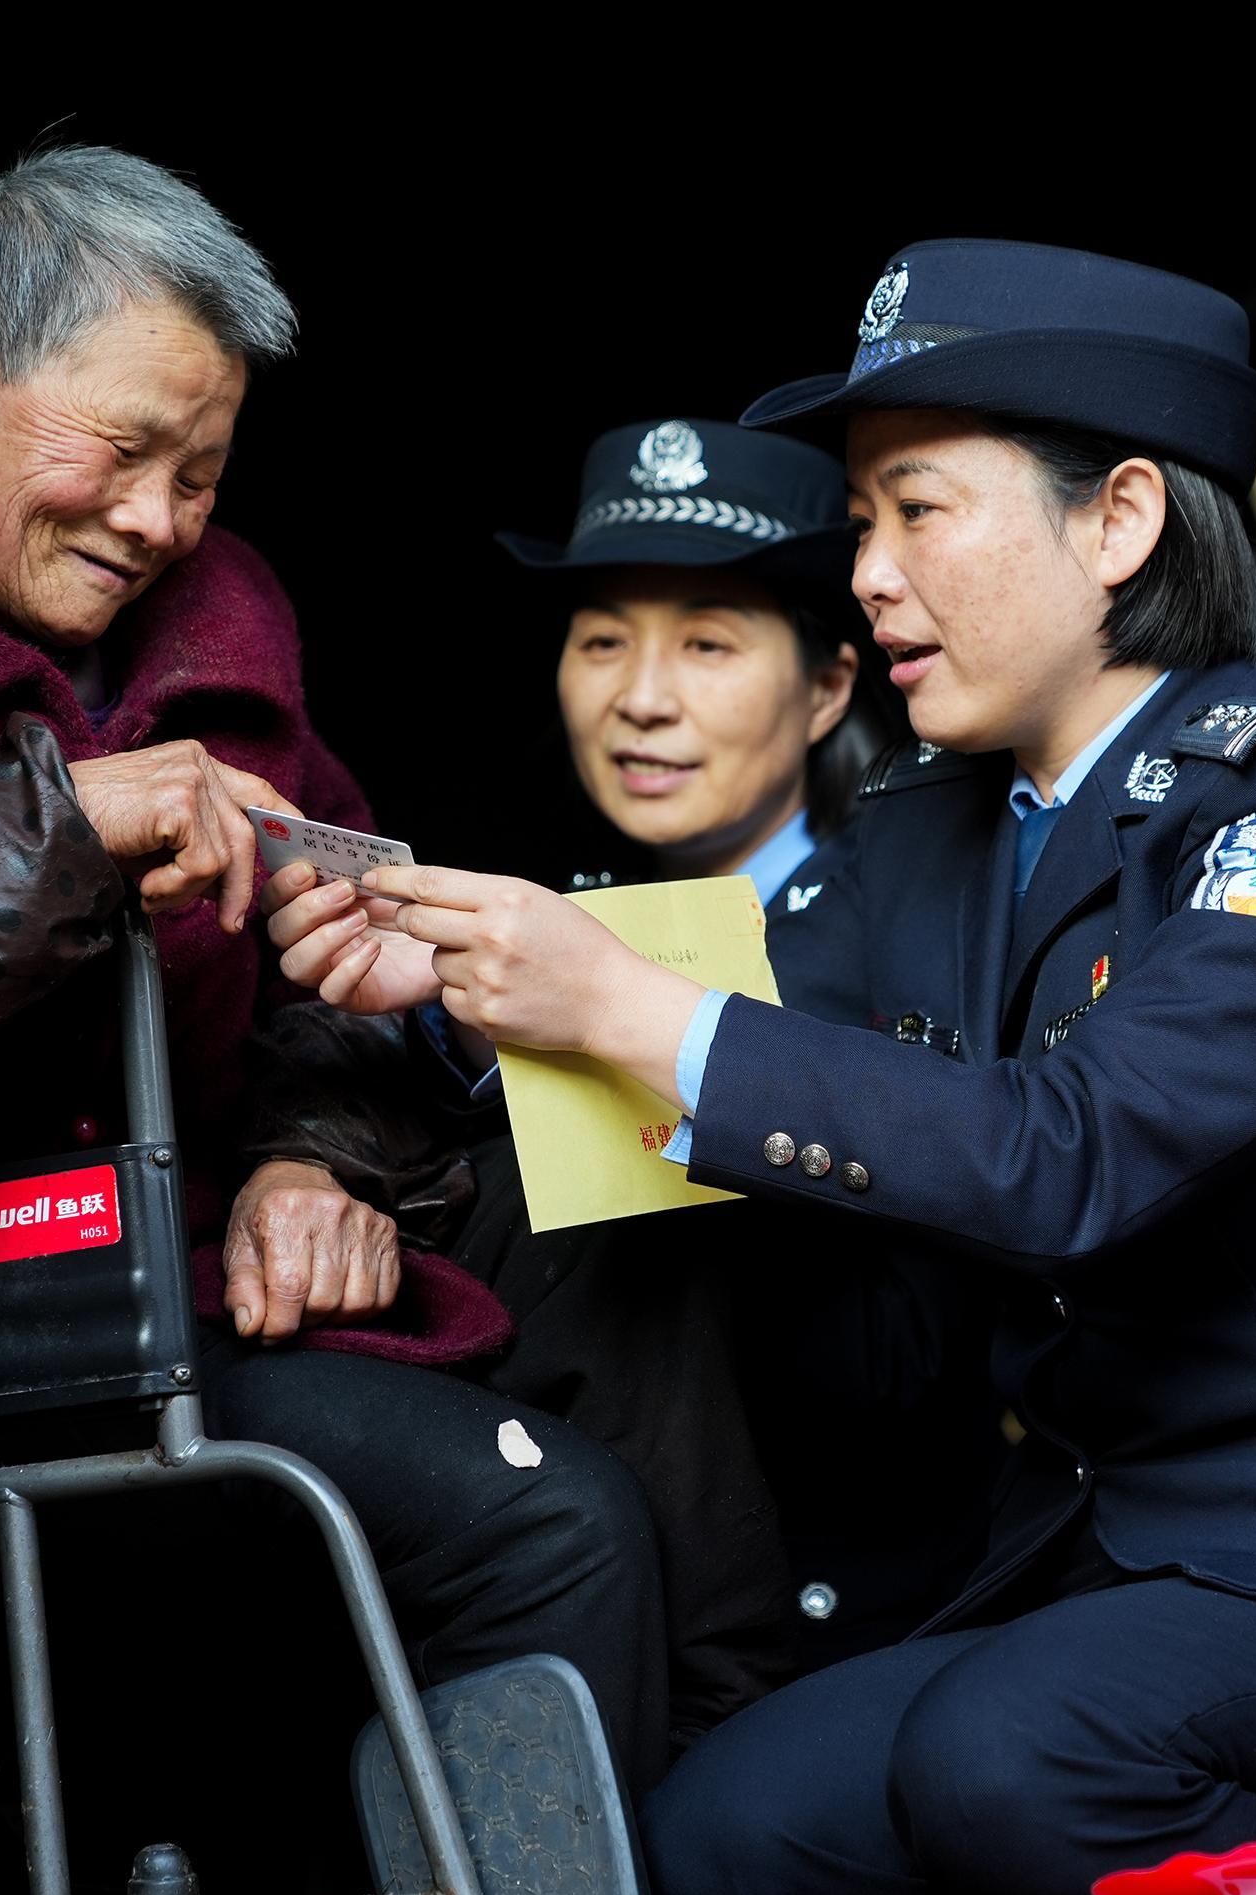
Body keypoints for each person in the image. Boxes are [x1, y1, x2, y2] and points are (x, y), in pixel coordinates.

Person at [272, 241, 1256, 1895]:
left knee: (1014, 1762)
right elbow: (726, 1019)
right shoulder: (935, 833)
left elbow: (1076, 1151)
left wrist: (621, 1004)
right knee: (722, 1848)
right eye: (862, 525)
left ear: (1121, 520)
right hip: (1112, 1573)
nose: (870, 574)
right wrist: (444, 986)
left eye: (919, 511)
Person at [0, 146, 668, 1797]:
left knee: (635, 1242)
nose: (154, 520)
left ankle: (728, 1810)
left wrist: (314, 1159)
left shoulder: (218, 632)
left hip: (192, 1288)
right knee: (546, 1522)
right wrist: (50, 834)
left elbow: (342, 952)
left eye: (197, 473)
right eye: (122, 450)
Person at [258, 418, 1003, 1694]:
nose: (642, 697)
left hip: (852, 1605)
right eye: (603, 639)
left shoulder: (909, 910)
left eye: (708, 644)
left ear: (829, 688)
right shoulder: (563, 908)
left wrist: (537, 1007)